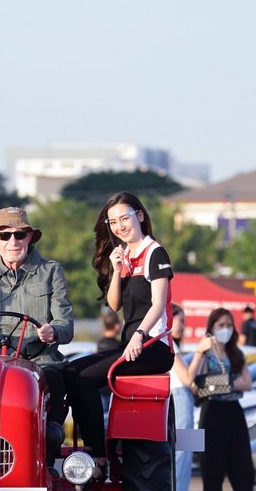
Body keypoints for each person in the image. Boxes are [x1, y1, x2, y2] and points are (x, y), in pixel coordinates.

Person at [0, 207, 74, 461]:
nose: (13, 241)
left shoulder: (52, 271)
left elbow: (66, 324)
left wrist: (52, 331)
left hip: (38, 359)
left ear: (29, 237)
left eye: (19, 234)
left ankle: (48, 450)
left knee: (55, 377)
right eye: (5, 235)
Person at [65, 192, 174, 458]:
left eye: (124, 218)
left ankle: (98, 454)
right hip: (130, 345)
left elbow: (158, 304)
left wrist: (139, 335)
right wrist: (116, 271)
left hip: (153, 346)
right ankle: (90, 449)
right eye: (112, 222)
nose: (119, 226)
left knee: (84, 379)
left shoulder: (154, 251)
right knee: (69, 371)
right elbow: (114, 305)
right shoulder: (124, 255)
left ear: (139, 216)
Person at [188, 307, 256, 491]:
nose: (226, 329)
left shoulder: (235, 353)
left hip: (234, 412)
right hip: (212, 412)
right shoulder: (205, 353)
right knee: (213, 470)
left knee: (243, 470)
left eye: (229, 325)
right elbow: (192, 381)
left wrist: (218, 383)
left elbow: (248, 383)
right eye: (221, 325)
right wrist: (201, 352)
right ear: (211, 328)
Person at [167, 303, 197, 491]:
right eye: (180, 320)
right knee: (182, 463)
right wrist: (201, 352)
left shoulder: (167, 342)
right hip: (181, 399)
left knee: (182, 461)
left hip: (181, 400)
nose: (184, 326)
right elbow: (187, 378)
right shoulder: (169, 342)